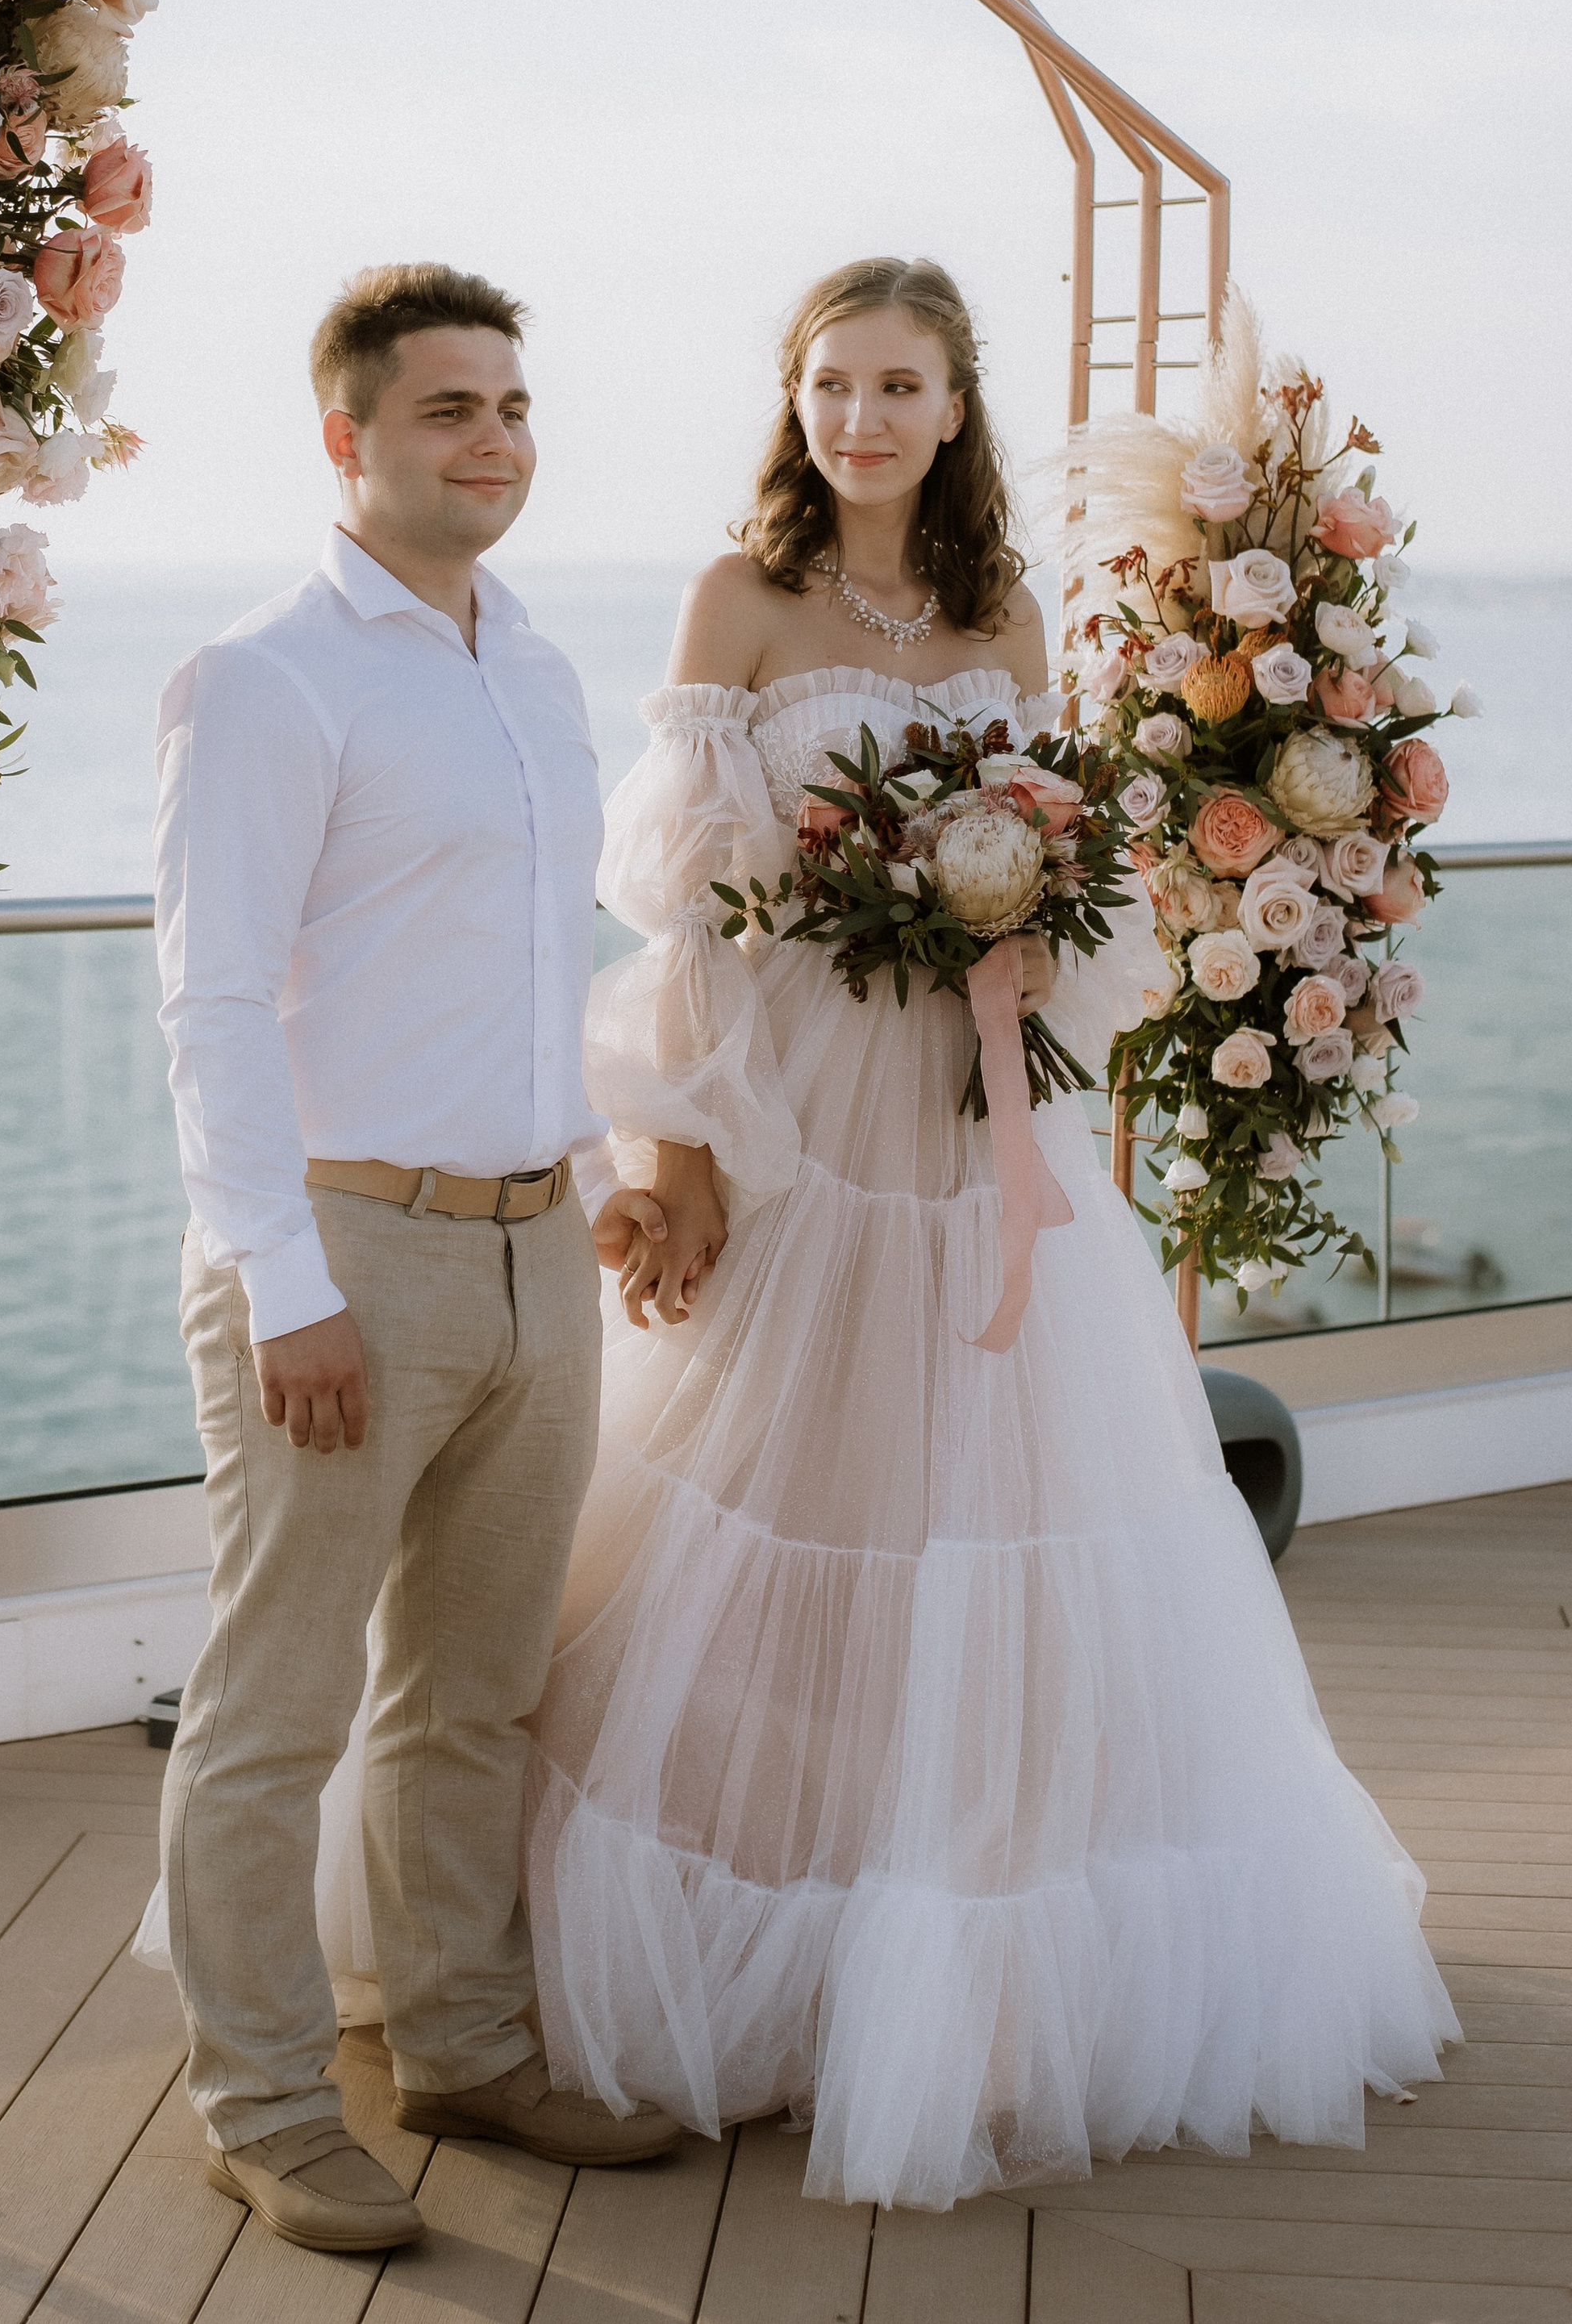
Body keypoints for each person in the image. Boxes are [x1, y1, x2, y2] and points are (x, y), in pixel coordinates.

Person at [521, 255, 1457, 2208]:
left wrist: (1009, 918)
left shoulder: (1005, 612)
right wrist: (673, 1155)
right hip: (795, 1133)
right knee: (772, 1499)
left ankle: (951, 1953)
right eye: (829, 383)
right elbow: (681, 917)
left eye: (897, 384)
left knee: (976, 1510)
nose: (858, 417)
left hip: (968, 1128)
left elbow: (1059, 872)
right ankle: (739, 1956)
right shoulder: (737, 602)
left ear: (954, 411)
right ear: (794, 404)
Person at [149, 261, 681, 2259]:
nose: (493, 439)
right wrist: (280, 1279)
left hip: (539, 1249)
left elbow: (541, 966)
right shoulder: (268, 673)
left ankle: (457, 2043)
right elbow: (205, 1002)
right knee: (274, 1704)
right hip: (346, 1251)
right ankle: (267, 2102)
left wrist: (603, 1165)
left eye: (512, 406)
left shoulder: (533, 667)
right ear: (345, 438)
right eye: (449, 407)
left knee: (476, 1688)